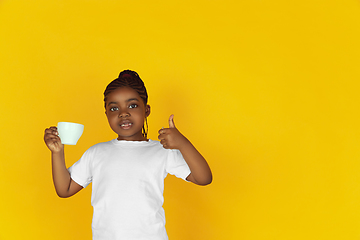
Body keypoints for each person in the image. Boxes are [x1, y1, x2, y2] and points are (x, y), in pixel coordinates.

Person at [44, 70, 212, 240]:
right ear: (107, 114)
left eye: (132, 105)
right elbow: (64, 189)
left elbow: (203, 178)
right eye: (114, 108)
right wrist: (57, 152)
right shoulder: (96, 153)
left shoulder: (162, 151)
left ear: (146, 110)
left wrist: (183, 143)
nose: (123, 113)